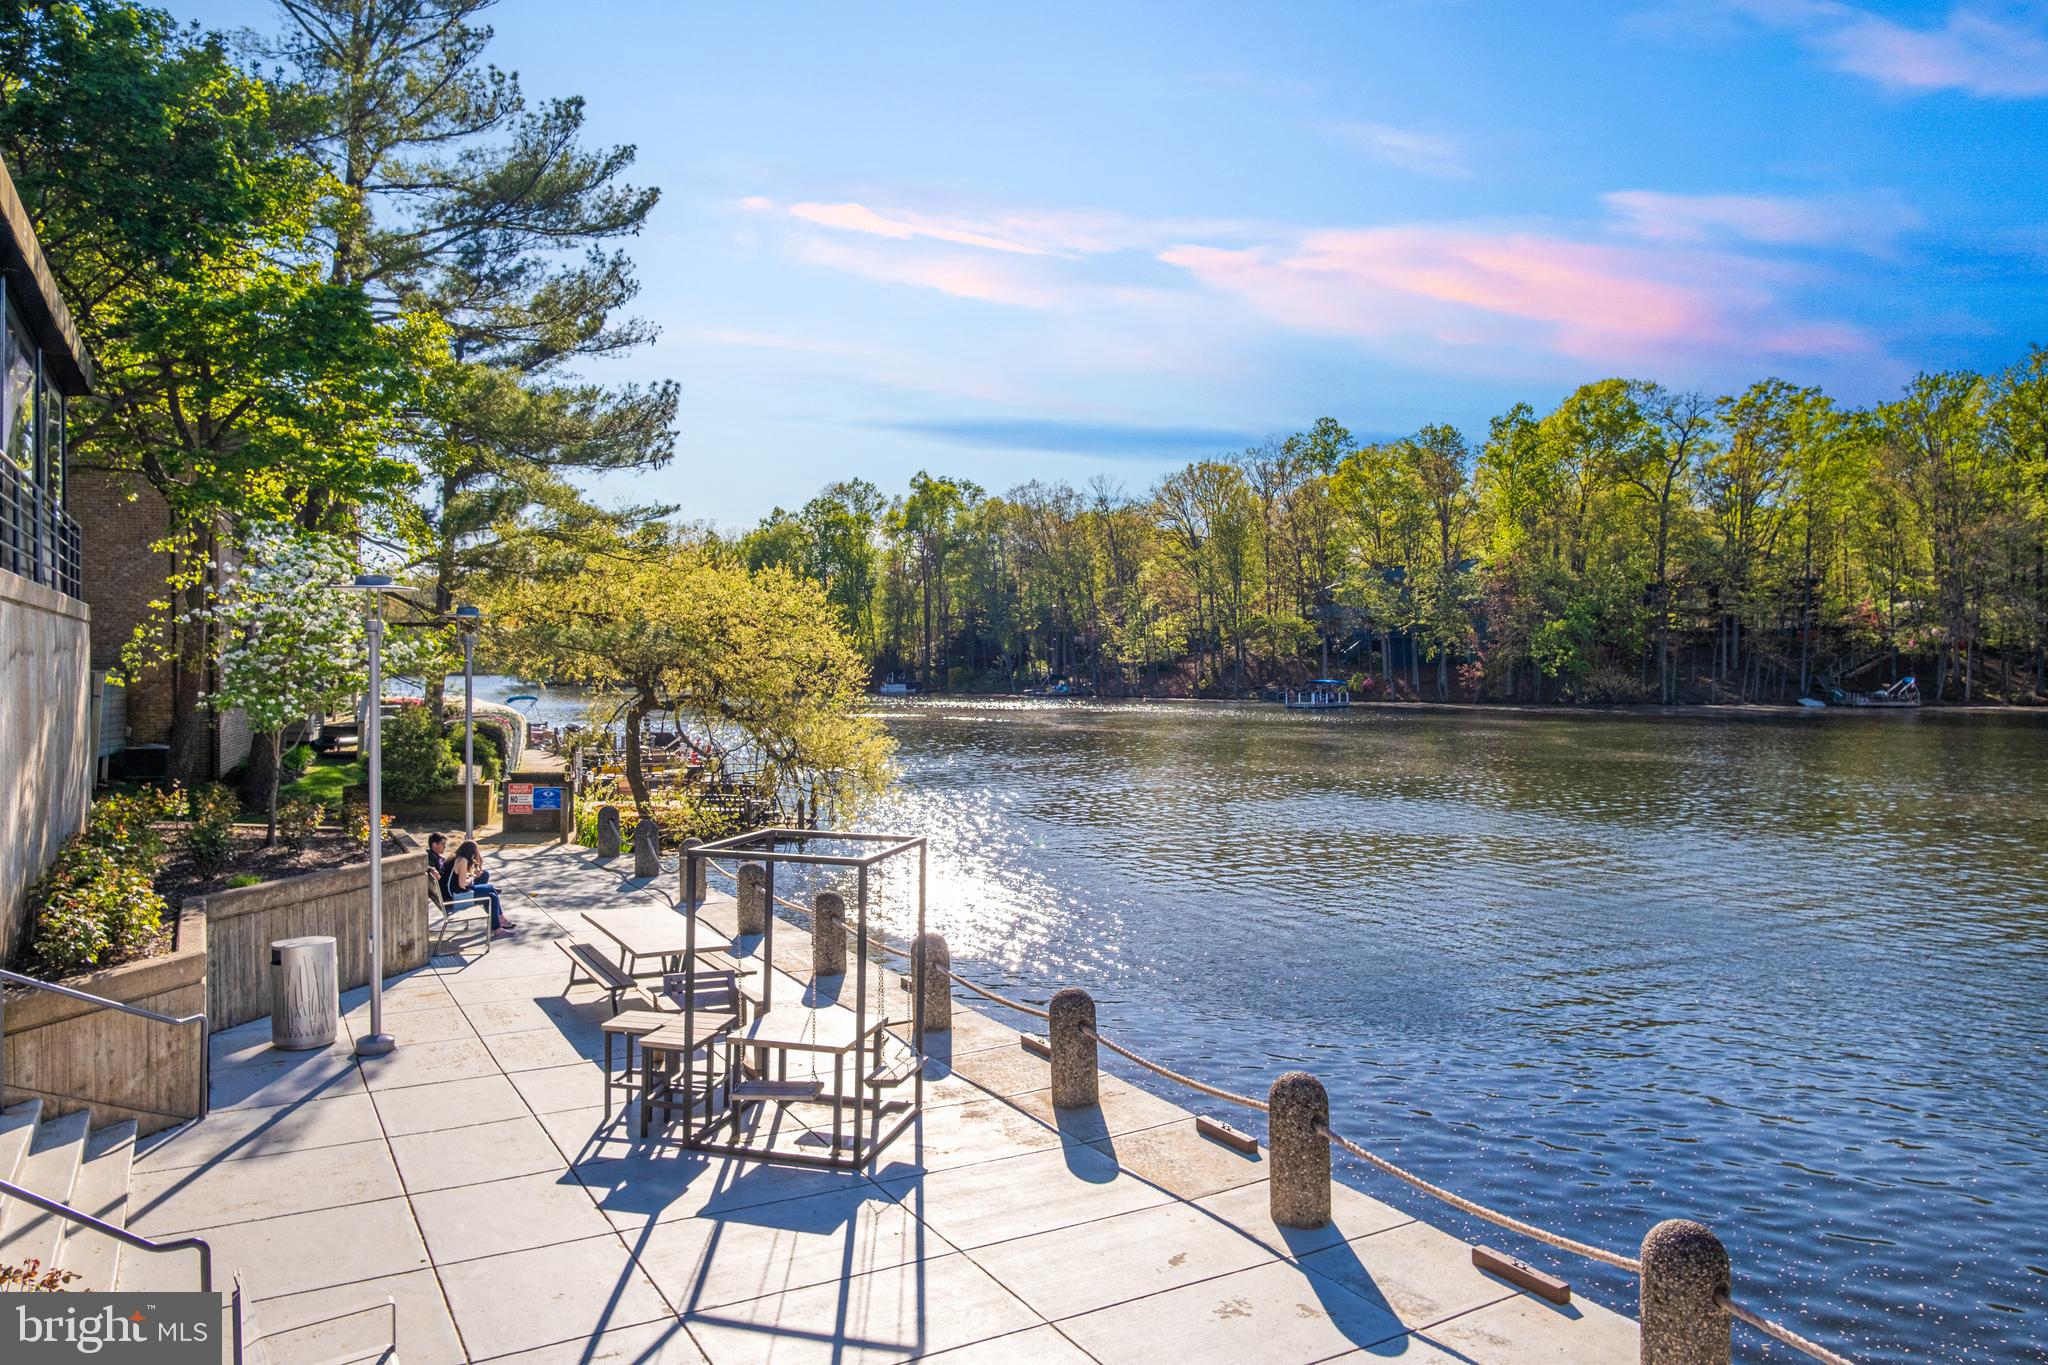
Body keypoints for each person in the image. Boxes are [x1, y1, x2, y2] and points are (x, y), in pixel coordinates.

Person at [444, 839, 512, 935]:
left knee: (491, 894)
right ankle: (500, 921)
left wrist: (472, 875)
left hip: (454, 893)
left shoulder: (457, 857)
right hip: (458, 897)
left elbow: (458, 878)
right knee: (490, 889)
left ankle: (498, 927)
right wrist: (472, 878)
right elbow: (462, 884)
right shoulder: (463, 861)